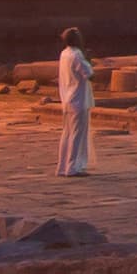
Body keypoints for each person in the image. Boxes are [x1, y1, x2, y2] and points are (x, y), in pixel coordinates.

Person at [55, 26, 95, 177]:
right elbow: (89, 75)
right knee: (77, 135)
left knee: (67, 134)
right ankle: (72, 168)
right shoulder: (77, 55)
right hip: (78, 100)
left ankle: (62, 166)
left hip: (67, 99)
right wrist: (89, 60)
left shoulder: (64, 53)